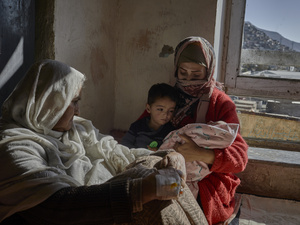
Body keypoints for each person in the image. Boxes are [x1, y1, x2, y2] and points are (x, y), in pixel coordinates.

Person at [0, 59, 208, 225]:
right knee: (153, 198)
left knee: (159, 171)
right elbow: (56, 205)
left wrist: (169, 156)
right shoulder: (16, 146)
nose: (79, 111)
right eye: (73, 102)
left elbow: (116, 152)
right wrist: (139, 191)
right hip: (84, 213)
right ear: (48, 103)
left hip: (104, 199)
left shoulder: (76, 129)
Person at [138, 36, 249, 225]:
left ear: (209, 71)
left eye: (196, 75)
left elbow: (240, 158)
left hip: (208, 179)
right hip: (167, 166)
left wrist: (201, 154)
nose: (188, 80)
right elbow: (144, 127)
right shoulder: (167, 96)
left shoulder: (221, 103)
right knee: (142, 195)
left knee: (173, 205)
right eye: (183, 73)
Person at [159, 121, 239, 199]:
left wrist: (199, 153)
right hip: (174, 165)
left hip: (207, 189)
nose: (210, 122)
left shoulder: (222, 112)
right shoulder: (173, 114)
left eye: (213, 123)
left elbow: (238, 160)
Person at [121, 83, 179, 151]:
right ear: (148, 108)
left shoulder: (171, 132)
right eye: (160, 109)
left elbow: (171, 151)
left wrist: (158, 152)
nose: (165, 114)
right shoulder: (138, 126)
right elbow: (125, 143)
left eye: (171, 111)